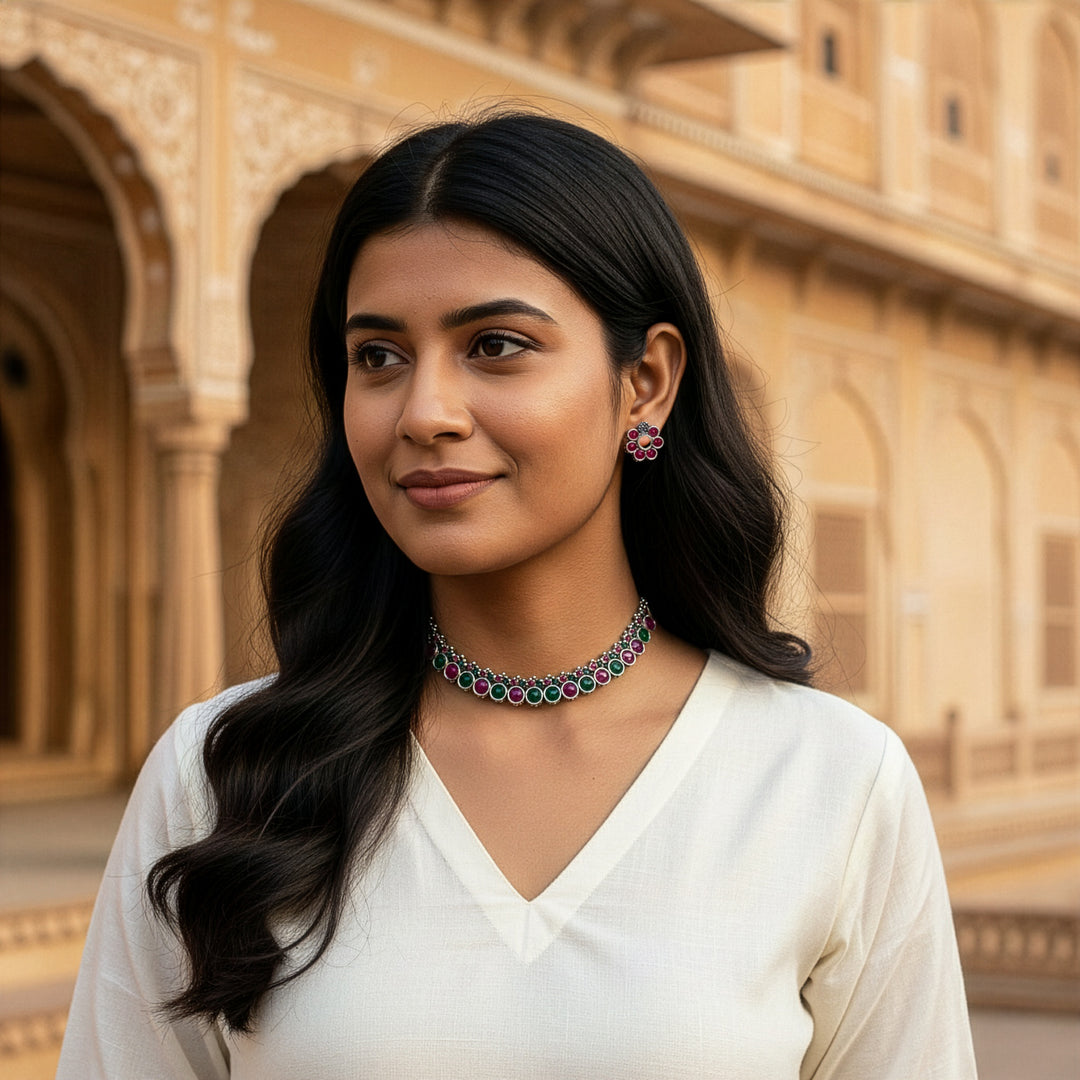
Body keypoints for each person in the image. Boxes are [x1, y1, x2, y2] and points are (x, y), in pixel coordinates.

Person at [57, 110, 977, 1079]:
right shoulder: (225, 777)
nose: (425, 413)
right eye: (379, 356)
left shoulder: (825, 783)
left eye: (495, 345)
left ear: (646, 383)